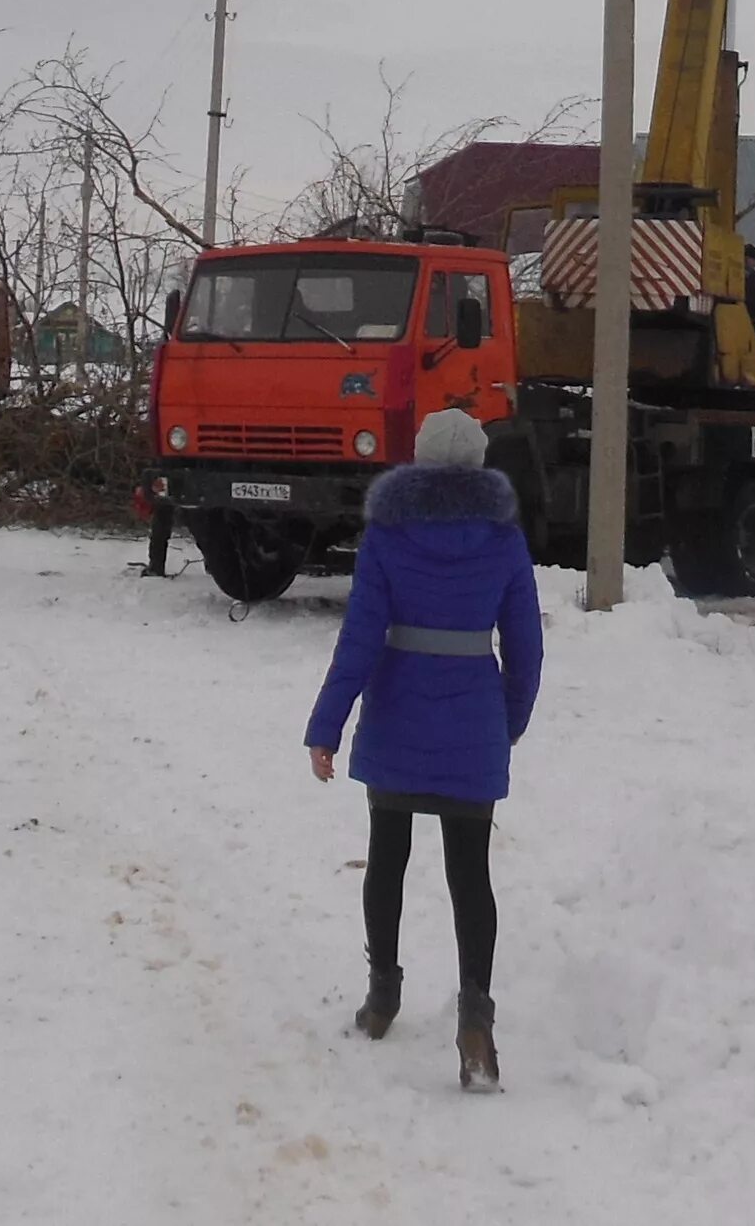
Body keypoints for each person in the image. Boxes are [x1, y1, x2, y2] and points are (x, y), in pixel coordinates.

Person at [304, 407, 544, 1093]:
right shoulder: (503, 540)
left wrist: (327, 725)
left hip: (398, 714)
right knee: (471, 874)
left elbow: (359, 639)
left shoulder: (389, 535)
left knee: (388, 856)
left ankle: (382, 998)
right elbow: (525, 646)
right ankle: (476, 1019)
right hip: (472, 722)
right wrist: (510, 720)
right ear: (477, 464)